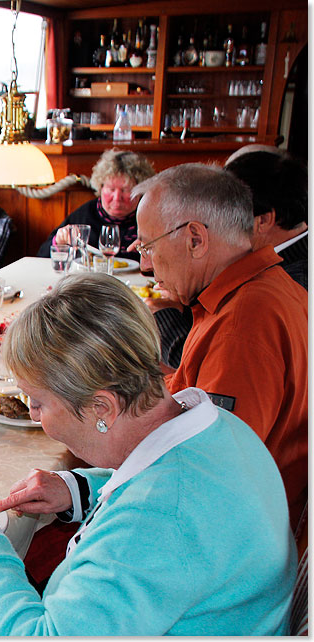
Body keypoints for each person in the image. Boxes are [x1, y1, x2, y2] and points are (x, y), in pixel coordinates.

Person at [0, 273, 294, 635]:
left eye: (38, 402)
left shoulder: (155, 521)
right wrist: (82, 488)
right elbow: (171, 487)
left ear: (101, 408)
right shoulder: (219, 426)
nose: (32, 413)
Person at [132, 163, 307, 535]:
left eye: (147, 245)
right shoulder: (258, 289)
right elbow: (189, 393)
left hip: (242, 539)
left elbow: (208, 474)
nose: (145, 265)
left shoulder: (244, 323)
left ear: (195, 238)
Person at [152, 149, 308, 368]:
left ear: (263, 220)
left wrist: (164, 318)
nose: (217, 222)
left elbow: (219, 359)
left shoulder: (294, 279)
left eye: (228, 212)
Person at [36, 148, 155, 260]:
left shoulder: (151, 217)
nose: (117, 198)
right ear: (101, 188)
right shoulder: (84, 216)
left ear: (140, 191)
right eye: (111, 189)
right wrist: (59, 242)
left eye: (125, 190)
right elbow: (42, 256)